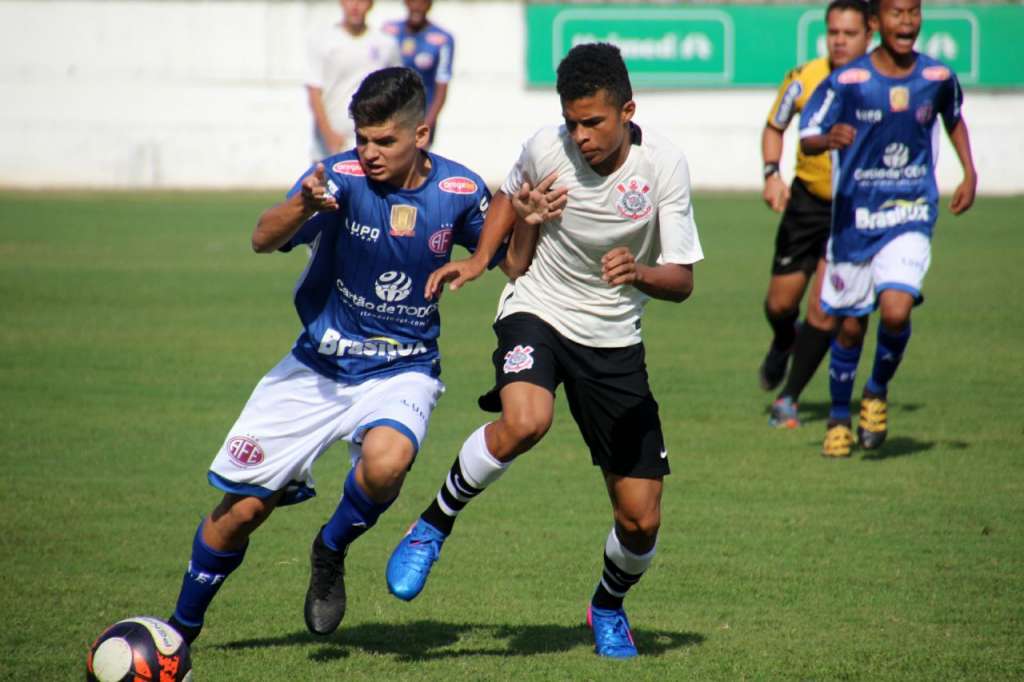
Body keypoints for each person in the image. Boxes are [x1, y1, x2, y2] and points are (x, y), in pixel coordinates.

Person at [166, 67, 537, 644]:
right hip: (318, 366)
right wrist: (303, 206)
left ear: (421, 134)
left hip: (404, 368)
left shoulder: (460, 191)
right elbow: (262, 238)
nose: (369, 152)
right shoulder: (336, 179)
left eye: (384, 140)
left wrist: (527, 223)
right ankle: (176, 635)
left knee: (388, 463)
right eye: (362, 138)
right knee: (242, 512)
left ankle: (330, 548)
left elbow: (512, 262)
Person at [384, 43, 704, 659]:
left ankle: (607, 605)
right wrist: (480, 258)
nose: (580, 136)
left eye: (593, 123)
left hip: (613, 337)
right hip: (539, 306)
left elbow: (683, 280)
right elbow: (510, 195)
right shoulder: (546, 146)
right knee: (527, 420)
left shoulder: (663, 166)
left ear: (628, 111)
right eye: (571, 122)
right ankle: (432, 524)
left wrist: (639, 272)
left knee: (640, 521)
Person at [799, 0, 977, 457]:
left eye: (913, 12)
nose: (908, 21)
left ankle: (876, 390)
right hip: (854, 220)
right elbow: (808, 132)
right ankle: (839, 416)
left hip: (909, 212)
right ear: (877, 23)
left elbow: (954, 118)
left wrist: (969, 171)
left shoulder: (937, 77)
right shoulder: (848, 80)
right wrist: (828, 139)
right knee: (850, 327)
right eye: (897, 13)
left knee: (896, 311)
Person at [759, 0, 873, 429]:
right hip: (806, 204)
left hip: (853, 210)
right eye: (833, 33)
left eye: (849, 33)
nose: (840, 41)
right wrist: (772, 174)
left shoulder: (881, 83)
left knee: (824, 308)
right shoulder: (804, 78)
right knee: (779, 305)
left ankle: (789, 398)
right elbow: (775, 127)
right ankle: (782, 341)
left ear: (869, 35)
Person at [305, 0, 401, 161]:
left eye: (361, 1)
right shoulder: (323, 41)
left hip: (371, 141)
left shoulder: (386, 44)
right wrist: (329, 134)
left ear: (371, 4)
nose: (355, 6)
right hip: (332, 143)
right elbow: (314, 91)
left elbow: (396, 91)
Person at [383, 0, 453, 145]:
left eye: (422, 2)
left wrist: (427, 124)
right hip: (390, 115)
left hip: (421, 115)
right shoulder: (389, 31)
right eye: (413, 1)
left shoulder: (442, 39)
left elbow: (442, 85)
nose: (417, 7)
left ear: (430, 4)